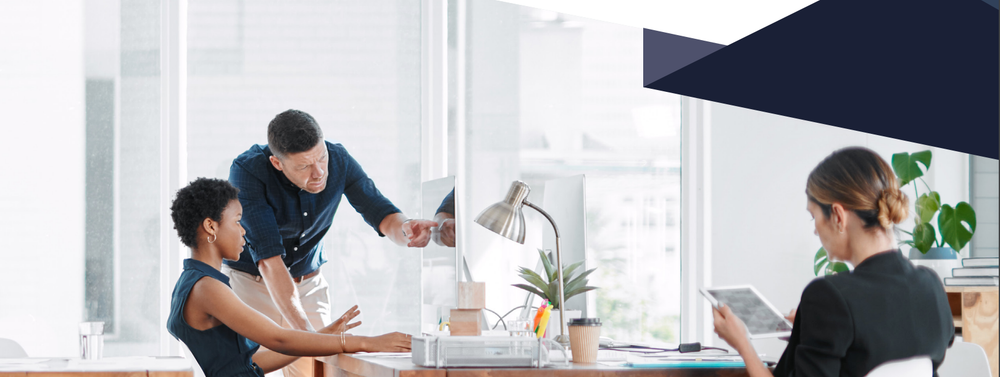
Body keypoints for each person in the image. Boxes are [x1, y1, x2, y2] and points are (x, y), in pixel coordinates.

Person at [222, 109, 437, 377]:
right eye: (304, 166)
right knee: (244, 369)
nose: (319, 172)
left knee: (316, 371)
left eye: (321, 158)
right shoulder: (247, 171)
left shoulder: (338, 158)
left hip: (308, 284)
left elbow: (379, 211)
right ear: (278, 163)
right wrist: (309, 339)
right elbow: (269, 259)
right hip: (251, 284)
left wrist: (406, 230)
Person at [712, 147, 954, 377]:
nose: (815, 231)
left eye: (813, 216)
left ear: (838, 216)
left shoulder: (828, 296)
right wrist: (812, 331)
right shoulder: (931, 286)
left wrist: (742, 342)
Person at [167, 178, 411, 377]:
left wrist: (322, 336)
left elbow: (249, 364)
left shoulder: (194, 281)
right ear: (211, 226)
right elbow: (278, 338)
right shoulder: (206, 288)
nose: (244, 231)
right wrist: (367, 343)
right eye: (238, 222)